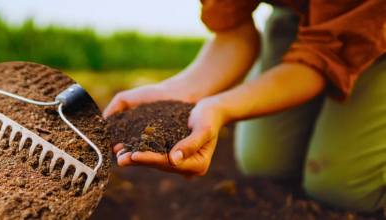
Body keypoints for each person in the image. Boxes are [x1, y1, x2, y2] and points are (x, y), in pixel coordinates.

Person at [103, 0, 386, 212]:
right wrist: (175, 92)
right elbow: (233, 34)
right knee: (264, 163)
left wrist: (221, 107)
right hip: (301, 17)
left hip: (374, 20)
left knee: (341, 188)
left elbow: (321, 59)